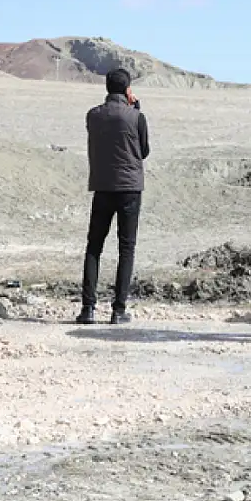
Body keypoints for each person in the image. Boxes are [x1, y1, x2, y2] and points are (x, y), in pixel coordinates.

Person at [76, 68, 149, 325]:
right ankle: (118, 310)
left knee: (94, 246)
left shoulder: (93, 115)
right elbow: (144, 151)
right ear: (128, 90)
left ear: (106, 87)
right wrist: (136, 110)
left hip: (103, 187)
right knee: (126, 248)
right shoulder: (136, 117)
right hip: (130, 189)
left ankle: (88, 309)